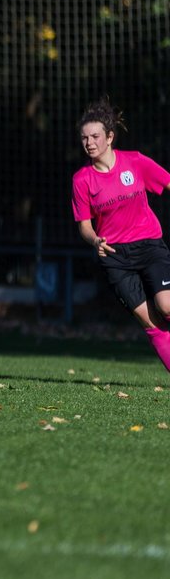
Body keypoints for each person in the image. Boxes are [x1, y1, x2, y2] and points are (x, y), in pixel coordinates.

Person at [72, 97, 170, 375]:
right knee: (152, 324)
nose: (89, 143)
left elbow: (167, 181)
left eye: (95, 136)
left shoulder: (136, 162)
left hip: (149, 246)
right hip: (115, 258)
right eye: (84, 138)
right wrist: (95, 241)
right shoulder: (82, 180)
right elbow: (84, 225)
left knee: (167, 306)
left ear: (110, 137)